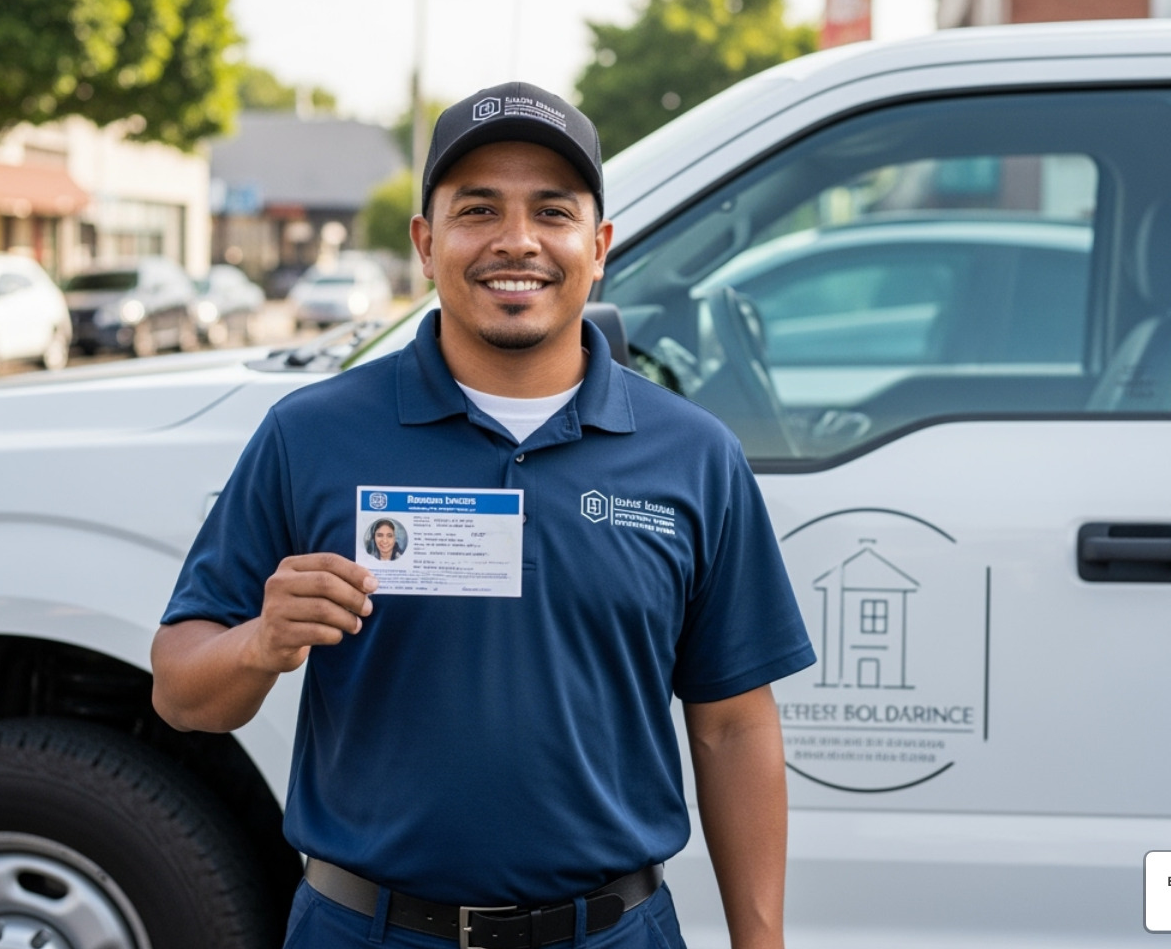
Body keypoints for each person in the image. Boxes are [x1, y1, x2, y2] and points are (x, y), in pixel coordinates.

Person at [150, 81, 815, 949]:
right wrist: (259, 643)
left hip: (614, 932)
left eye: (552, 211)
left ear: (599, 245)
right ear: (426, 243)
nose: (517, 242)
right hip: (365, 931)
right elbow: (180, 690)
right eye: (478, 210)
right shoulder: (310, 436)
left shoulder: (692, 454)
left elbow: (732, 725)